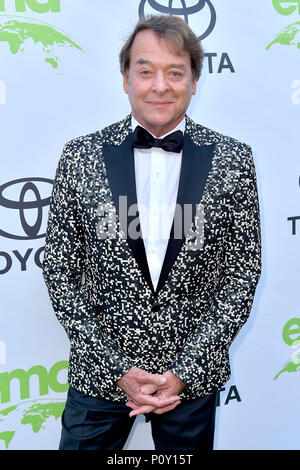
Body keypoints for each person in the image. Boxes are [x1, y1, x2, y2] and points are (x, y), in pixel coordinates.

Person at [42, 15, 261, 451]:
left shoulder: (234, 161)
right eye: (145, 71)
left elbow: (241, 275)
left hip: (189, 384)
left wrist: (184, 371)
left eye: (175, 72)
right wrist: (116, 368)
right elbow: (59, 271)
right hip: (100, 379)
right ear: (126, 79)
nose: (160, 85)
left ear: (195, 81)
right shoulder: (80, 156)